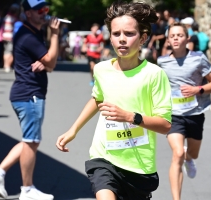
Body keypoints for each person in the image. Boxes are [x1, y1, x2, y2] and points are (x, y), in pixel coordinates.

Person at [56, 2, 172, 200]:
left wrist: (129, 116)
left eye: (129, 34)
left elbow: (165, 125)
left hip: (139, 165)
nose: (122, 40)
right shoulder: (101, 69)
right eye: (116, 34)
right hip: (104, 157)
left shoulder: (154, 74)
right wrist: (73, 130)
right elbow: (97, 99)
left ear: (143, 38)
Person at [0, 0, 61, 199]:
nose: (44, 13)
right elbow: (52, 60)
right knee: (31, 141)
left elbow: (50, 65)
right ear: (28, 13)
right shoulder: (28, 35)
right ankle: (27, 190)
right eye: (39, 10)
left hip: (26, 93)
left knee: (29, 141)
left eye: (45, 9)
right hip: (29, 94)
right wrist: (55, 34)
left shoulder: (32, 33)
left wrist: (44, 63)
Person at [157, 22, 211, 200]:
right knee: (177, 154)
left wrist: (197, 90)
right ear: (168, 40)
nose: (175, 38)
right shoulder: (162, 62)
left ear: (187, 38)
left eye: (179, 35)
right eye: (172, 36)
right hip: (173, 115)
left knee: (192, 153)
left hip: (195, 113)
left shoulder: (199, 58)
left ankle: (189, 159)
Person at [0, 4, 20, 72]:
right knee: (10, 52)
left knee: (5, 51)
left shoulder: (6, 17)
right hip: (10, 36)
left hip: (4, 35)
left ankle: (5, 65)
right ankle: (7, 65)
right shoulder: (14, 18)